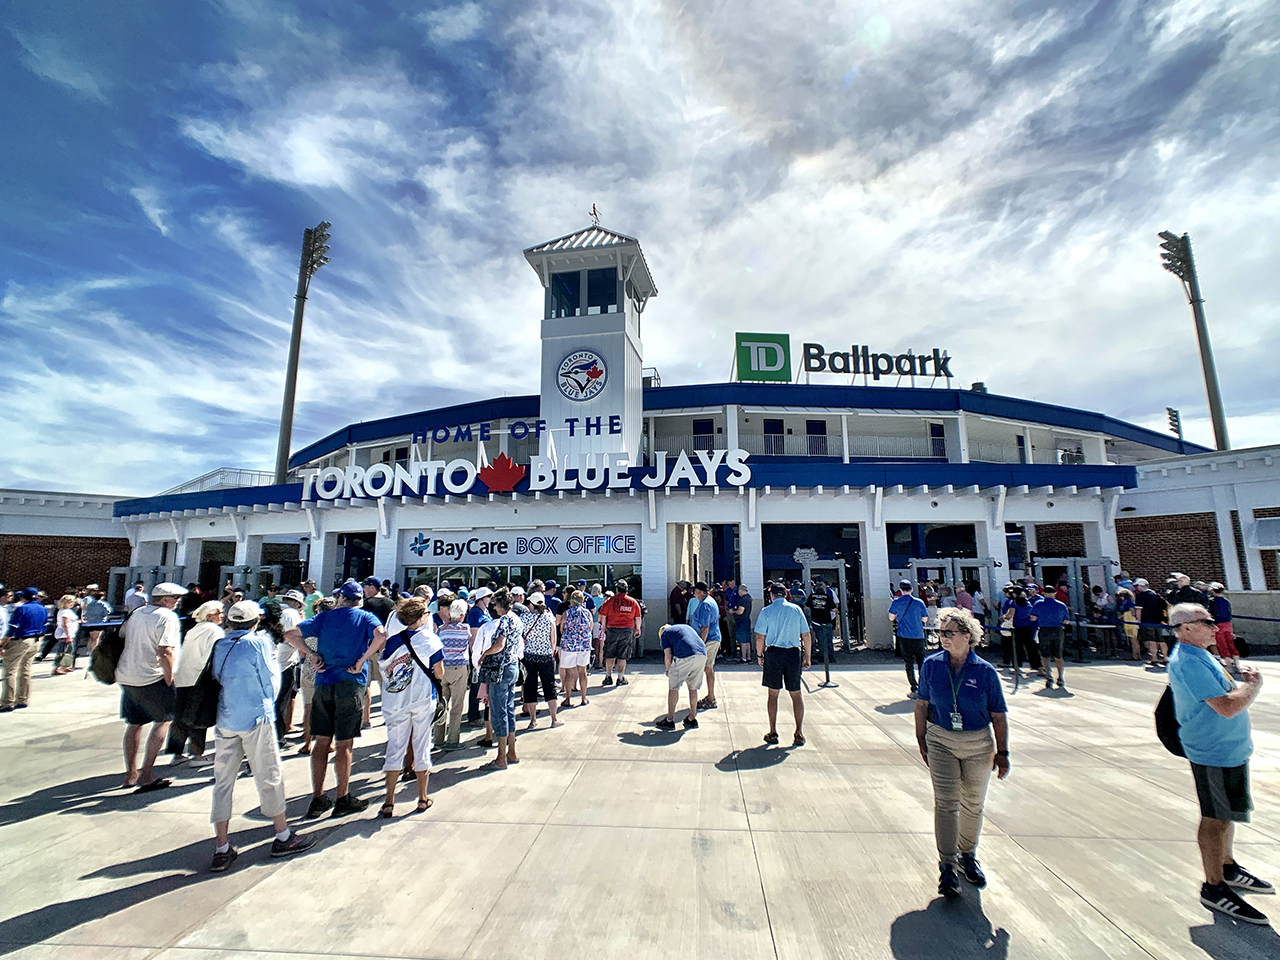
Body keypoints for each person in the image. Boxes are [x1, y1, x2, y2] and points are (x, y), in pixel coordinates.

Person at [1166, 602, 1272, 924]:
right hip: (1213, 751)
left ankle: (1227, 866)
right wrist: (1252, 686)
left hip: (1229, 749)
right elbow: (1226, 706)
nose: (1216, 626)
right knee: (1216, 818)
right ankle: (1214, 887)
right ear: (1185, 628)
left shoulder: (1202, 655)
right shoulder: (1189, 662)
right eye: (1206, 622)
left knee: (1228, 815)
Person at [208, 600, 315, 872]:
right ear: (256, 621)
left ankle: (221, 846)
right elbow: (272, 681)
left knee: (222, 781)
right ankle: (282, 834)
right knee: (269, 774)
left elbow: (217, 675)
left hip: (226, 715)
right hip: (257, 715)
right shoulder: (258, 643)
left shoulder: (220, 643)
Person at [915, 607, 1010, 897]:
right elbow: (922, 705)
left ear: (967, 636)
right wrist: (921, 737)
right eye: (939, 632)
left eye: (948, 633)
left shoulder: (985, 671)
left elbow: (998, 714)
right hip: (941, 739)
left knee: (972, 802)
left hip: (978, 743)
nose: (942, 638)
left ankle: (967, 855)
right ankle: (946, 865)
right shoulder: (931, 665)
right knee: (946, 803)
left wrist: (1002, 751)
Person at [284, 579, 385, 819]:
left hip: (324, 682)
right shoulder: (365, 618)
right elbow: (381, 635)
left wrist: (311, 654)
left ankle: (318, 797)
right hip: (351, 682)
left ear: (340, 598)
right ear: (359, 600)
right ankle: (342, 797)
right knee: (344, 744)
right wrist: (362, 660)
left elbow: (290, 633)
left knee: (321, 742)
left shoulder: (324, 617)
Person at [377, 597, 443, 818]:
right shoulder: (430, 641)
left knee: (395, 747)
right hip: (423, 698)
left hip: (397, 701)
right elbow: (439, 672)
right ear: (422, 617)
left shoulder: (393, 641)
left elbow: (385, 666)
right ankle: (423, 797)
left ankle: (389, 801)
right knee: (422, 745)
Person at [118, 582, 187, 791]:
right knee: (163, 721)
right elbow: (165, 650)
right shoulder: (167, 617)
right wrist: (169, 677)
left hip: (129, 674)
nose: (177, 602)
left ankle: (130, 772)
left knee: (134, 724)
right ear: (165, 600)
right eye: (175, 598)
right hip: (153, 676)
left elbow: (121, 635)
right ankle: (147, 773)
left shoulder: (137, 613)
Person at [754, 581, 812, 746]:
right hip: (793, 653)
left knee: (773, 694)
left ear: (771, 595)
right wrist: (807, 656)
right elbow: (806, 635)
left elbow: (760, 637)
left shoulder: (766, 611)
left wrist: (759, 655)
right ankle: (798, 733)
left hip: (774, 653)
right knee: (796, 693)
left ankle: (773, 731)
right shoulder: (796, 610)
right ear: (786, 594)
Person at [166, 600, 225, 766]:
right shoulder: (214, 631)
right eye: (219, 613)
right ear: (209, 615)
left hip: (183, 677)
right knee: (200, 717)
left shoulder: (194, 629)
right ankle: (197, 754)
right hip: (201, 678)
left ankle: (176, 753)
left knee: (181, 717)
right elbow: (216, 655)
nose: (222, 616)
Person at [476, 589, 523, 769]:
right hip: (512, 666)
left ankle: (501, 756)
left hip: (500, 669)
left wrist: (484, 654)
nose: (493, 607)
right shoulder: (516, 619)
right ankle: (511, 752)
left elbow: (499, 645)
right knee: (509, 709)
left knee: (498, 712)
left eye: (495, 604)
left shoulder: (504, 620)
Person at [519, 592, 560, 729]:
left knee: (530, 688)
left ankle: (533, 720)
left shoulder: (524, 618)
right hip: (546, 655)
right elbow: (553, 639)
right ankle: (554, 719)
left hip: (529, 655)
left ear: (532, 604)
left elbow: (520, 637)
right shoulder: (549, 618)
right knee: (550, 686)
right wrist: (552, 652)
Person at [1, 587, 47, 712]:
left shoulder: (21, 609)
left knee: (10, 670)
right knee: (26, 669)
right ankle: (22, 699)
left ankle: (7, 702)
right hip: (37, 639)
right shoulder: (42, 608)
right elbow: (45, 624)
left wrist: (2, 643)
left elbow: (12, 628)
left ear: (23, 596)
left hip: (21, 639)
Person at [655, 623, 706, 729]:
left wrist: (668, 669)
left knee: (674, 688)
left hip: (685, 656)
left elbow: (668, 656)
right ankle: (692, 718)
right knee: (693, 688)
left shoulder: (665, 633)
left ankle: (670, 720)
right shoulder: (684, 628)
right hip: (701, 655)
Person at [274, 590, 307, 741]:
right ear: (296, 603)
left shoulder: (274, 610)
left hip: (271, 661)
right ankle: (278, 737)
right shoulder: (292, 614)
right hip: (285, 663)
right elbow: (295, 637)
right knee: (282, 701)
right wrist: (307, 652)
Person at [888, 580, 929, 698]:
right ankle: (923, 687)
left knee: (909, 663)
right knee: (922, 661)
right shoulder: (919, 602)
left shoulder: (896, 602)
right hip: (918, 635)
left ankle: (913, 687)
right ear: (911, 589)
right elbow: (925, 618)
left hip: (904, 636)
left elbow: (891, 618)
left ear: (900, 590)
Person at [598, 579, 642, 686]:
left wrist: (603, 628)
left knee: (610, 654)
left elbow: (603, 615)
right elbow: (638, 617)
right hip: (627, 630)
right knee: (623, 655)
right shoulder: (633, 602)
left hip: (612, 629)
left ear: (617, 589)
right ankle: (620, 678)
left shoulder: (610, 600)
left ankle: (608, 676)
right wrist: (638, 629)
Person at [687, 582, 721, 710]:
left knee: (705, 668)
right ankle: (710, 697)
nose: (693, 593)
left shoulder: (706, 604)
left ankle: (711, 698)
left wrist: (699, 645)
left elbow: (705, 627)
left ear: (700, 591)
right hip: (710, 640)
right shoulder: (707, 601)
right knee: (708, 668)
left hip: (709, 641)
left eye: (695, 590)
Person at [1030, 589, 1070, 690]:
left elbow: (1033, 618)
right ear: (1055, 593)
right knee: (1058, 654)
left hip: (1044, 630)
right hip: (1058, 630)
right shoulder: (1061, 605)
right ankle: (1060, 677)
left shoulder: (1038, 604)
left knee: (1044, 654)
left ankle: (1048, 675)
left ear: (1044, 593)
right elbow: (1066, 621)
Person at [559, 590, 593, 708]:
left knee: (569, 672)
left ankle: (568, 699)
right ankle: (583, 698)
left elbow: (562, 629)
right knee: (582, 671)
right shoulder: (587, 613)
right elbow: (590, 628)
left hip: (569, 645)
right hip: (583, 645)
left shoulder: (567, 613)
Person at [1134, 578, 1169, 667]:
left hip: (1147, 621)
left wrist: (1138, 621)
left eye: (1137, 586)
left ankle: (1154, 658)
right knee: (1161, 640)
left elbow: (1139, 609)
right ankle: (1165, 658)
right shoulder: (1156, 595)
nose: (1137, 588)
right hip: (1158, 621)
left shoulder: (1140, 596)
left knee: (1151, 640)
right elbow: (1165, 606)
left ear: (1141, 586)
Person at [805, 585, 836, 663]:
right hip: (827, 621)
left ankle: (823, 658)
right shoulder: (827, 597)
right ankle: (831, 658)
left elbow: (806, 607)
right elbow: (834, 609)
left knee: (821, 640)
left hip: (816, 622)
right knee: (829, 640)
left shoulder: (812, 597)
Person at [51, 594, 80, 674]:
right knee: (62, 651)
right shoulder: (64, 612)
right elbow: (65, 624)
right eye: (70, 602)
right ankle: (58, 667)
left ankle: (65, 666)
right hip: (65, 634)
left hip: (71, 633)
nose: (72, 604)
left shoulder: (69, 611)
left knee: (69, 651)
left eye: (73, 602)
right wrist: (68, 636)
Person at [1116, 587, 1140, 661]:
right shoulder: (1127, 602)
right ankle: (1136, 655)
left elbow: (1132, 611)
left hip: (1131, 621)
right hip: (1127, 620)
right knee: (1133, 639)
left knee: (1134, 640)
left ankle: (1135, 656)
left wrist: (1122, 616)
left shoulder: (1128, 602)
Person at [733, 584, 754, 663]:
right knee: (747, 640)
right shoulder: (749, 598)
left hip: (741, 621)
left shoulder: (742, 600)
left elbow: (740, 611)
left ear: (741, 590)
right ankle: (748, 657)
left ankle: (743, 658)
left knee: (743, 641)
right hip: (747, 619)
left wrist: (733, 611)